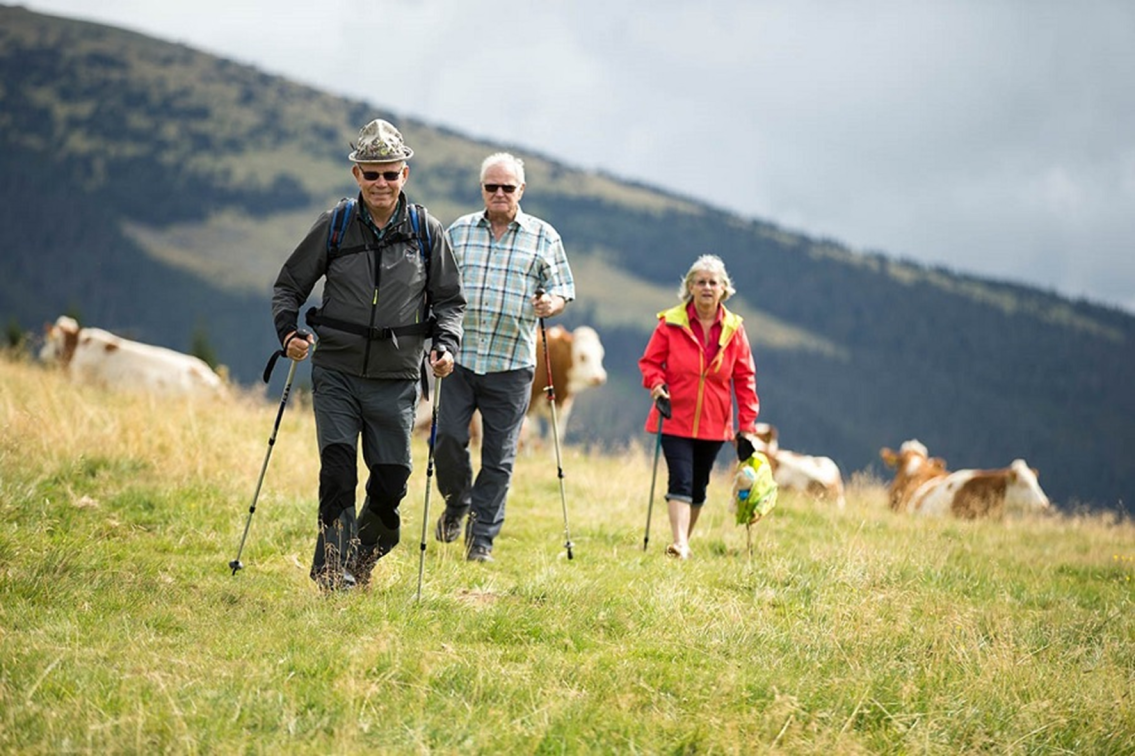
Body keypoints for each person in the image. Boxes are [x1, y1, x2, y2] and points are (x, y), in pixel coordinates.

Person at [272, 119, 465, 590]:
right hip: (336, 371)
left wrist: (446, 345)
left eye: (391, 173)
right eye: (372, 173)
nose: (382, 183)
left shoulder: (425, 230)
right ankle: (331, 573)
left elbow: (450, 301)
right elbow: (289, 287)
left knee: (390, 485)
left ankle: (361, 559)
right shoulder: (335, 225)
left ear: (405, 175)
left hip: (397, 378)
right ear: (356, 174)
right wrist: (288, 334)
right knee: (337, 474)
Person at [433, 152, 575, 563]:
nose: (499, 193)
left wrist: (552, 302)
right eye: (491, 187)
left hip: (512, 365)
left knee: (498, 457)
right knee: (446, 441)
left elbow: (564, 287)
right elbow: (438, 287)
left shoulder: (543, 236)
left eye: (507, 187)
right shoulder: (458, 232)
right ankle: (457, 501)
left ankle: (481, 541)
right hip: (459, 358)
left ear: (521, 191)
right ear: (482, 189)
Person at [638, 254, 760, 559]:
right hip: (674, 414)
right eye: (701, 282)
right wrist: (657, 386)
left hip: (715, 422)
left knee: (699, 485)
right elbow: (650, 362)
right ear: (690, 287)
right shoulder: (670, 323)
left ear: (723, 289)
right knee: (680, 477)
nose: (707, 287)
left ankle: (683, 542)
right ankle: (679, 543)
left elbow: (745, 378)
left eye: (713, 282)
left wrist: (746, 427)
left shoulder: (734, 329)